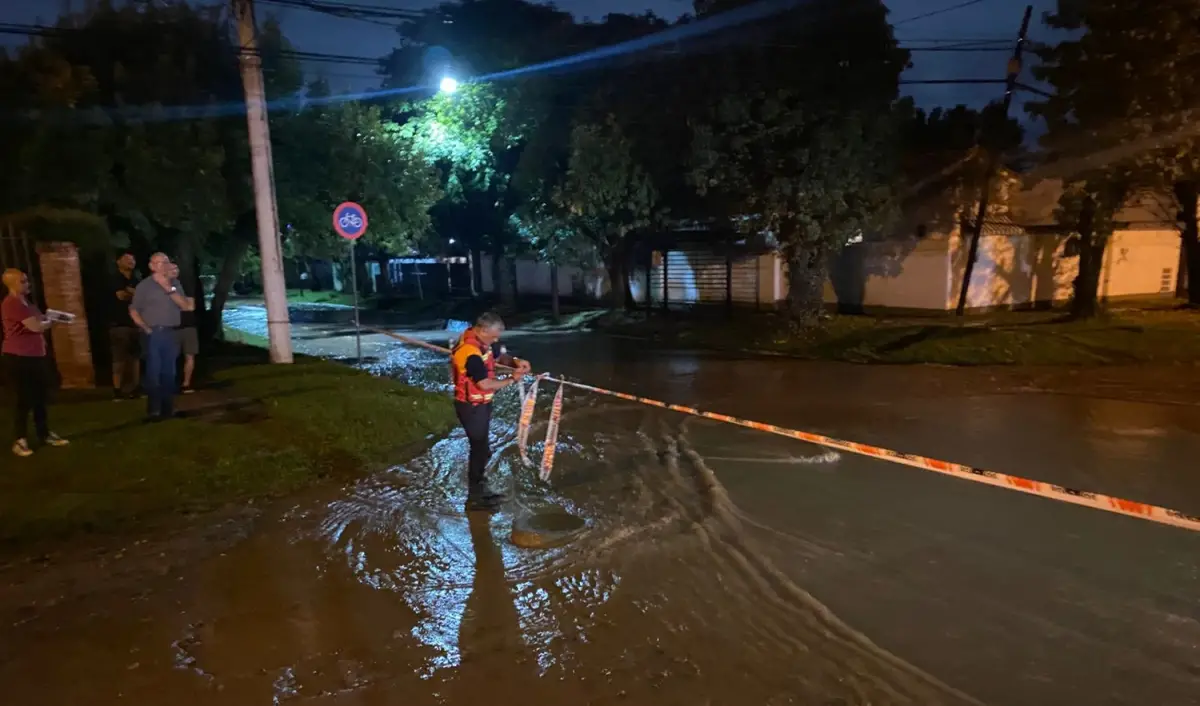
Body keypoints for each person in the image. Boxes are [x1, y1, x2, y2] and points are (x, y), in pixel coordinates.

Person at [449, 312, 531, 511]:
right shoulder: (469, 353)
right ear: (483, 330)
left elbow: (498, 355)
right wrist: (512, 379)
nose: (496, 340)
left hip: (482, 404)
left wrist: (515, 362)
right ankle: (474, 498)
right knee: (479, 450)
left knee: (483, 450)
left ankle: (480, 487)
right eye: (494, 336)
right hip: (471, 407)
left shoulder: (482, 342)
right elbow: (485, 384)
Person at [2, 268, 69, 457]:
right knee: (23, 399)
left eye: (26, 280)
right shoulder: (12, 304)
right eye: (23, 281)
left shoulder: (27, 303)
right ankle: (20, 439)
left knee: (40, 397)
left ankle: (44, 433)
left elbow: (40, 320)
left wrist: (50, 319)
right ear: (13, 284)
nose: (27, 283)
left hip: (35, 355)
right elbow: (36, 326)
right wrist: (54, 321)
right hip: (19, 357)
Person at [129, 253, 194, 421]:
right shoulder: (144, 286)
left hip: (172, 332)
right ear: (151, 266)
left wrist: (168, 288)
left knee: (169, 372)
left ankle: (168, 408)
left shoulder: (175, 283)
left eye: (166, 261)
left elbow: (186, 306)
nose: (165, 265)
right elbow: (134, 310)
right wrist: (145, 328)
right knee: (153, 372)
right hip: (154, 333)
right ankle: (154, 410)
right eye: (160, 262)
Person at [110, 251, 141, 400]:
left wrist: (132, 293)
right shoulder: (115, 278)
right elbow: (120, 295)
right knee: (119, 359)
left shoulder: (136, 279)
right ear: (118, 262)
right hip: (119, 323)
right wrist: (135, 294)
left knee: (135, 358)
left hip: (135, 324)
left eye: (132, 259)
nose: (131, 262)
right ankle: (117, 389)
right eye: (127, 259)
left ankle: (134, 388)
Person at [167, 263, 198, 394]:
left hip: (188, 325)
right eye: (171, 269)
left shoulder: (185, 286)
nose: (174, 271)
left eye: (176, 268)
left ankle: (186, 384)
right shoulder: (162, 287)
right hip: (171, 327)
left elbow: (190, 306)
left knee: (189, 355)